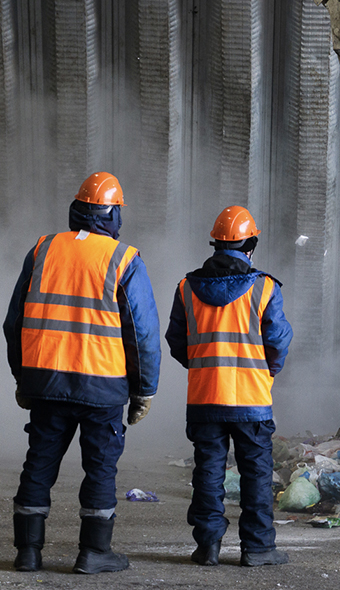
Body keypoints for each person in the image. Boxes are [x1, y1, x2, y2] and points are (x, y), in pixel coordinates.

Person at [3, 172, 161, 574]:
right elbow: (141, 333)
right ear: (112, 215)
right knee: (100, 469)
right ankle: (93, 553)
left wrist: (24, 378)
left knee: (39, 463)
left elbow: (14, 321)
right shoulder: (124, 259)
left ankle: (28, 553)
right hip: (102, 389)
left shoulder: (42, 249)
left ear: (77, 211)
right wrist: (144, 391)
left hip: (46, 384)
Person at [165, 205, 293, 567]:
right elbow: (279, 340)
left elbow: (177, 340)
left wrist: (203, 368)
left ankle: (207, 546)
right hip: (251, 399)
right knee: (255, 474)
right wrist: (269, 371)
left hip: (206, 398)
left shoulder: (187, 287)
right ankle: (257, 548)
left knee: (208, 471)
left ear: (216, 245)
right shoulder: (264, 287)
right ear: (250, 243)